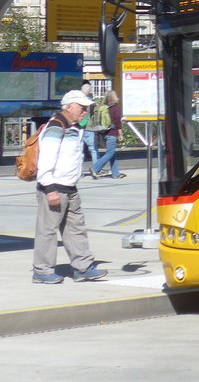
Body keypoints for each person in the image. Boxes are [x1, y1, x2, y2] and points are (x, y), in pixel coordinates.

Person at [32, 90, 107, 283]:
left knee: (76, 228)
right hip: (54, 187)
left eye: (86, 108)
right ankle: (42, 270)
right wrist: (50, 189)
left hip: (69, 187)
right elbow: (46, 159)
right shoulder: (56, 127)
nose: (85, 111)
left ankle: (82, 267)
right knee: (48, 230)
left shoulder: (73, 127)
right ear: (68, 107)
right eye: (81, 107)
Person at [89, 90, 125, 179]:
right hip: (112, 133)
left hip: (104, 133)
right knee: (110, 153)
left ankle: (115, 173)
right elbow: (117, 122)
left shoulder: (103, 107)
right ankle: (95, 168)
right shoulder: (116, 108)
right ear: (115, 98)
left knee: (112, 153)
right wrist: (120, 133)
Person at [79, 81, 96, 169]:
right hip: (89, 126)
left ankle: (79, 170)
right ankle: (96, 168)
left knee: (79, 149)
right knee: (93, 149)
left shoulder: (78, 100)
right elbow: (93, 113)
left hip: (79, 126)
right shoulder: (91, 101)